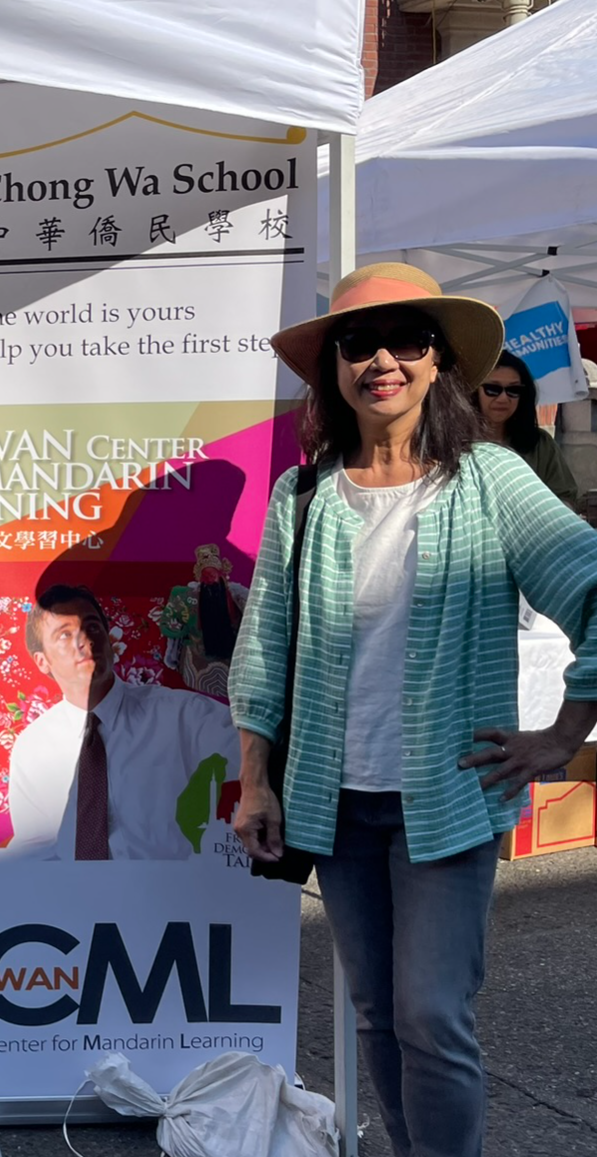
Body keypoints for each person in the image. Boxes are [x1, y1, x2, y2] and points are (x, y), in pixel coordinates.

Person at [230, 262, 597, 1157]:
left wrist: (563, 731)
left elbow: (590, 588)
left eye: (406, 340)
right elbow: (263, 644)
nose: (381, 360)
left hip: (448, 797)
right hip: (334, 801)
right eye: (358, 342)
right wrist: (255, 778)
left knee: (430, 1012)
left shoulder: (488, 480)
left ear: (439, 362)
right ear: (335, 367)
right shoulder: (302, 494)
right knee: (376, 1012)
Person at [7, 584, 241, 860]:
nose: (84, 639)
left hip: (172, 884)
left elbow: (253, 767)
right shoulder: (33, 747)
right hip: (71, 886)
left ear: (109, 641)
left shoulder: (185, 716)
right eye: (65, 634)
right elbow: (34, 850)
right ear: (42, 661)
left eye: (92, 626)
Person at [473, 349, 579, 508]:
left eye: (513, 390)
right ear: (473, 391)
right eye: (493, 389)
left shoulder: (540, 444)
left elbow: (565, 497)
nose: (503, 398)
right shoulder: (452, 444)